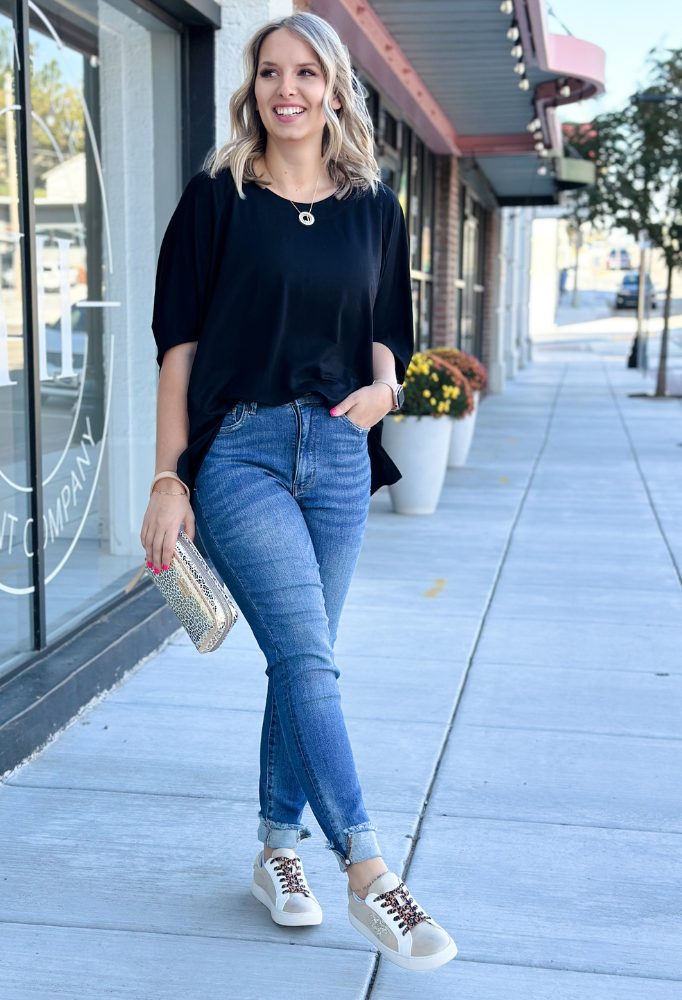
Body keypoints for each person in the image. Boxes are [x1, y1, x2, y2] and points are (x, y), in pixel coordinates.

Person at [141, 11, 457, 972]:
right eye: (271, 71)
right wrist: (168, 475)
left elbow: (389, 328)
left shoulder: (374, 204)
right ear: (253, 87)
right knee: (310, 660)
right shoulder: (218, 197)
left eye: (307, 73)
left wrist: (387, 390)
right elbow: (178, 352)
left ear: (334, 89)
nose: (288, 89)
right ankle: (369, 871)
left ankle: (279, 849)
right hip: (240, 454)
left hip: (339, 454)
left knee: (301, 659)